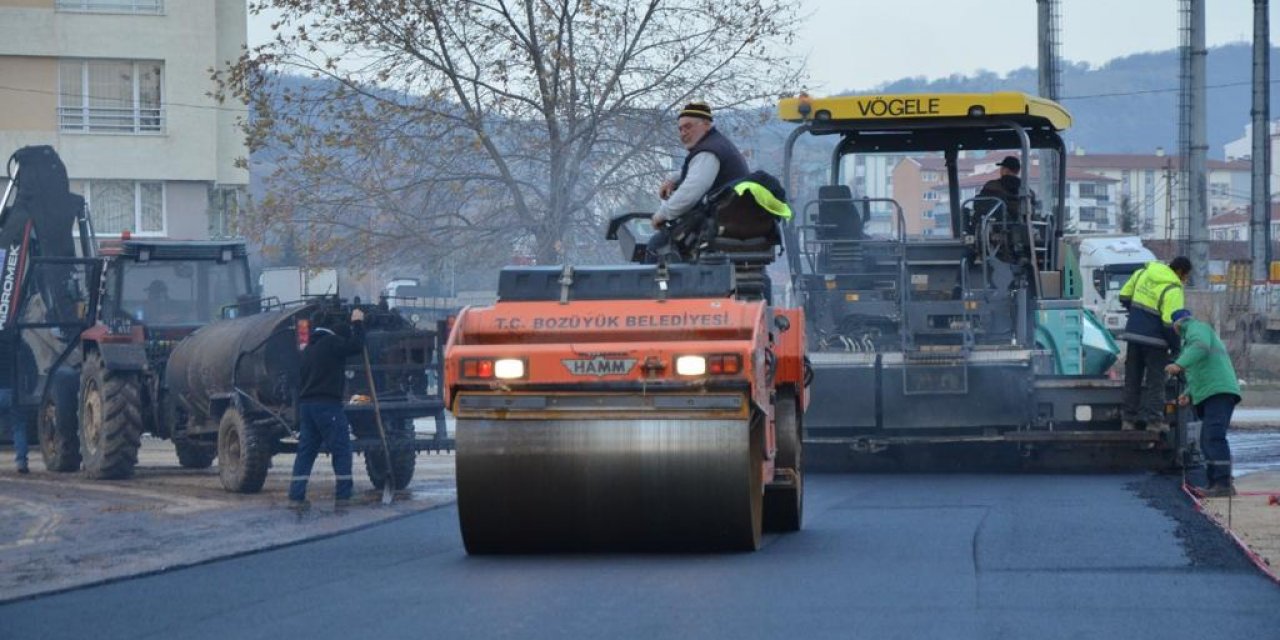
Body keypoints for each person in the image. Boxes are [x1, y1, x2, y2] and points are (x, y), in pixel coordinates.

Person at [645, 101, 749, 263]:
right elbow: (698, 172)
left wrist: (662, 215)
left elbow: (690, 192)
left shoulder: (708, 152)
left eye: (688, 127)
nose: (683, 133)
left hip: (719, 226)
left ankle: (653, 288)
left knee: (657, 245)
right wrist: (673, 178)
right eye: (680, 129)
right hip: (734, 221)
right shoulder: (717, 146)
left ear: (706, 125)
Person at [288, 307, 365, 510]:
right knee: (341, 449)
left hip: (307, 407)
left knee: (306, 452)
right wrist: (358, 322)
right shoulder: (331, 343)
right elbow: (356, 346)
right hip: (327, 407)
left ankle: (296, 494)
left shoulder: (307, 350)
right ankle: (343, 495)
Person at [1165, 309, 1240, 497]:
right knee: (1208, 439)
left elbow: (1200, 346)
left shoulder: (1195, 329)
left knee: (1213, 437)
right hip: (1213, 391)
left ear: (1177, 324)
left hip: (1218, 391)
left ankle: (1222, 484)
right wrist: (1188, 394)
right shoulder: (1191, 339)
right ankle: (1216, 482)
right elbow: (1200, 371)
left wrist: (1178, 364)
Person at [1118, 255, 1192, 433]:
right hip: (1156, 342)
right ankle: (1154, 421)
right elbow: (1171, 323)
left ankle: (1128, 421)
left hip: (1134, 336)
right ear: (1181, 272)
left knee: (1132, 379)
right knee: (1155, 381)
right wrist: (1176, 348)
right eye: (1187, 276)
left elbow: (1124, 296)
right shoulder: (1173, 288)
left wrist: (1138, 318)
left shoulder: (1143, 272)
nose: (1186, 280)